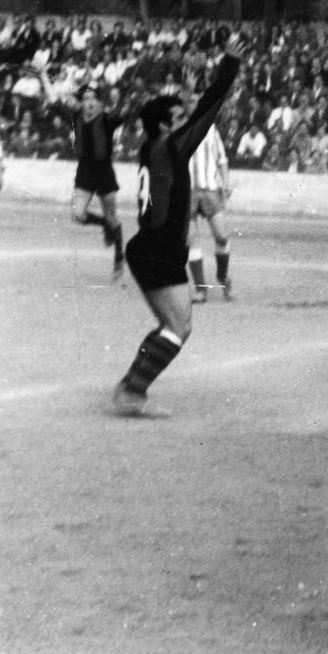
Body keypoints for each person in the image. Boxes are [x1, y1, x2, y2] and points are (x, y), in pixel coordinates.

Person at [112, 34, 242, 417]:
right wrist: (228, 68)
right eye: (179, 118)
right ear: (167, 126)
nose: (186, 122)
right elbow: (208, 111)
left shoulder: (150, 149)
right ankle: (132, 391)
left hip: (148, 247)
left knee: (171, 325)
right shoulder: (169, 147)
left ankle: (130, 386)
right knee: (178, 327)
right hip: (161, 250)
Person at [42, 74, 133, 276]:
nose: (89, 102)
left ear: (100, 103)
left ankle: (119, 257)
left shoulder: (108, 119)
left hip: (104, 171)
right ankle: (104, 226)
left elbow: (125, 113)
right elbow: (53, 100)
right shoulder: (76, 117)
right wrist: (42, 76)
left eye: (93, 99)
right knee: (78, 214)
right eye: (86, 99)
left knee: (112, 215)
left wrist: (127, 104)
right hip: (85, 171)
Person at [187, 120, 235, 303]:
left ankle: (222, 277)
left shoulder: (211, 129)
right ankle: (201, 289)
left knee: (222, 236)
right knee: (191, 240)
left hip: (210, 190)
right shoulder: (178, 129)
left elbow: (221, 159)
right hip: (187, 192)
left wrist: (226, 182)